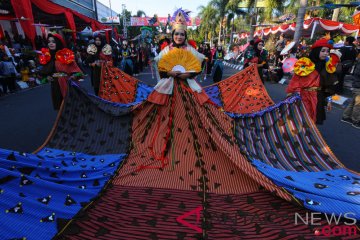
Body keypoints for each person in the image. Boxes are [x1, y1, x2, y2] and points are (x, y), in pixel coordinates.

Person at [286, 38, 339, 124]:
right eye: (323, 51)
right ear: (317, 51)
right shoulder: (305, 63)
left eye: (327, 51)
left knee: (313, 120)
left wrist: (329, 100)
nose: (326, 53)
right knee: (301, 118)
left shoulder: (327, 66)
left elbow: (329, 85)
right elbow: (296, 80)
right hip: (303, 97)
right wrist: (295, 95)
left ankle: (308, 134)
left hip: (318, 97)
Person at [39, 33, 82, 110]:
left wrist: (73, 76)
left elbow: (79, 73)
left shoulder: (66, 56)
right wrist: (47, 78)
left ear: (58, 42)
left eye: (53, 41)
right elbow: (43, 78)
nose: (51, 43)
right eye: (49, 42)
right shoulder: (47, 57)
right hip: (55, 88)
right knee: (60, 109)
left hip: (68, 87)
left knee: (71, 110)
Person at [342, 57, 360, 129]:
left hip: (356, 86)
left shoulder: (358, 62)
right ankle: (355, 121)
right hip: (358, 87)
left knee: (353, 103)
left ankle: (345, 117)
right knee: (358, 105)